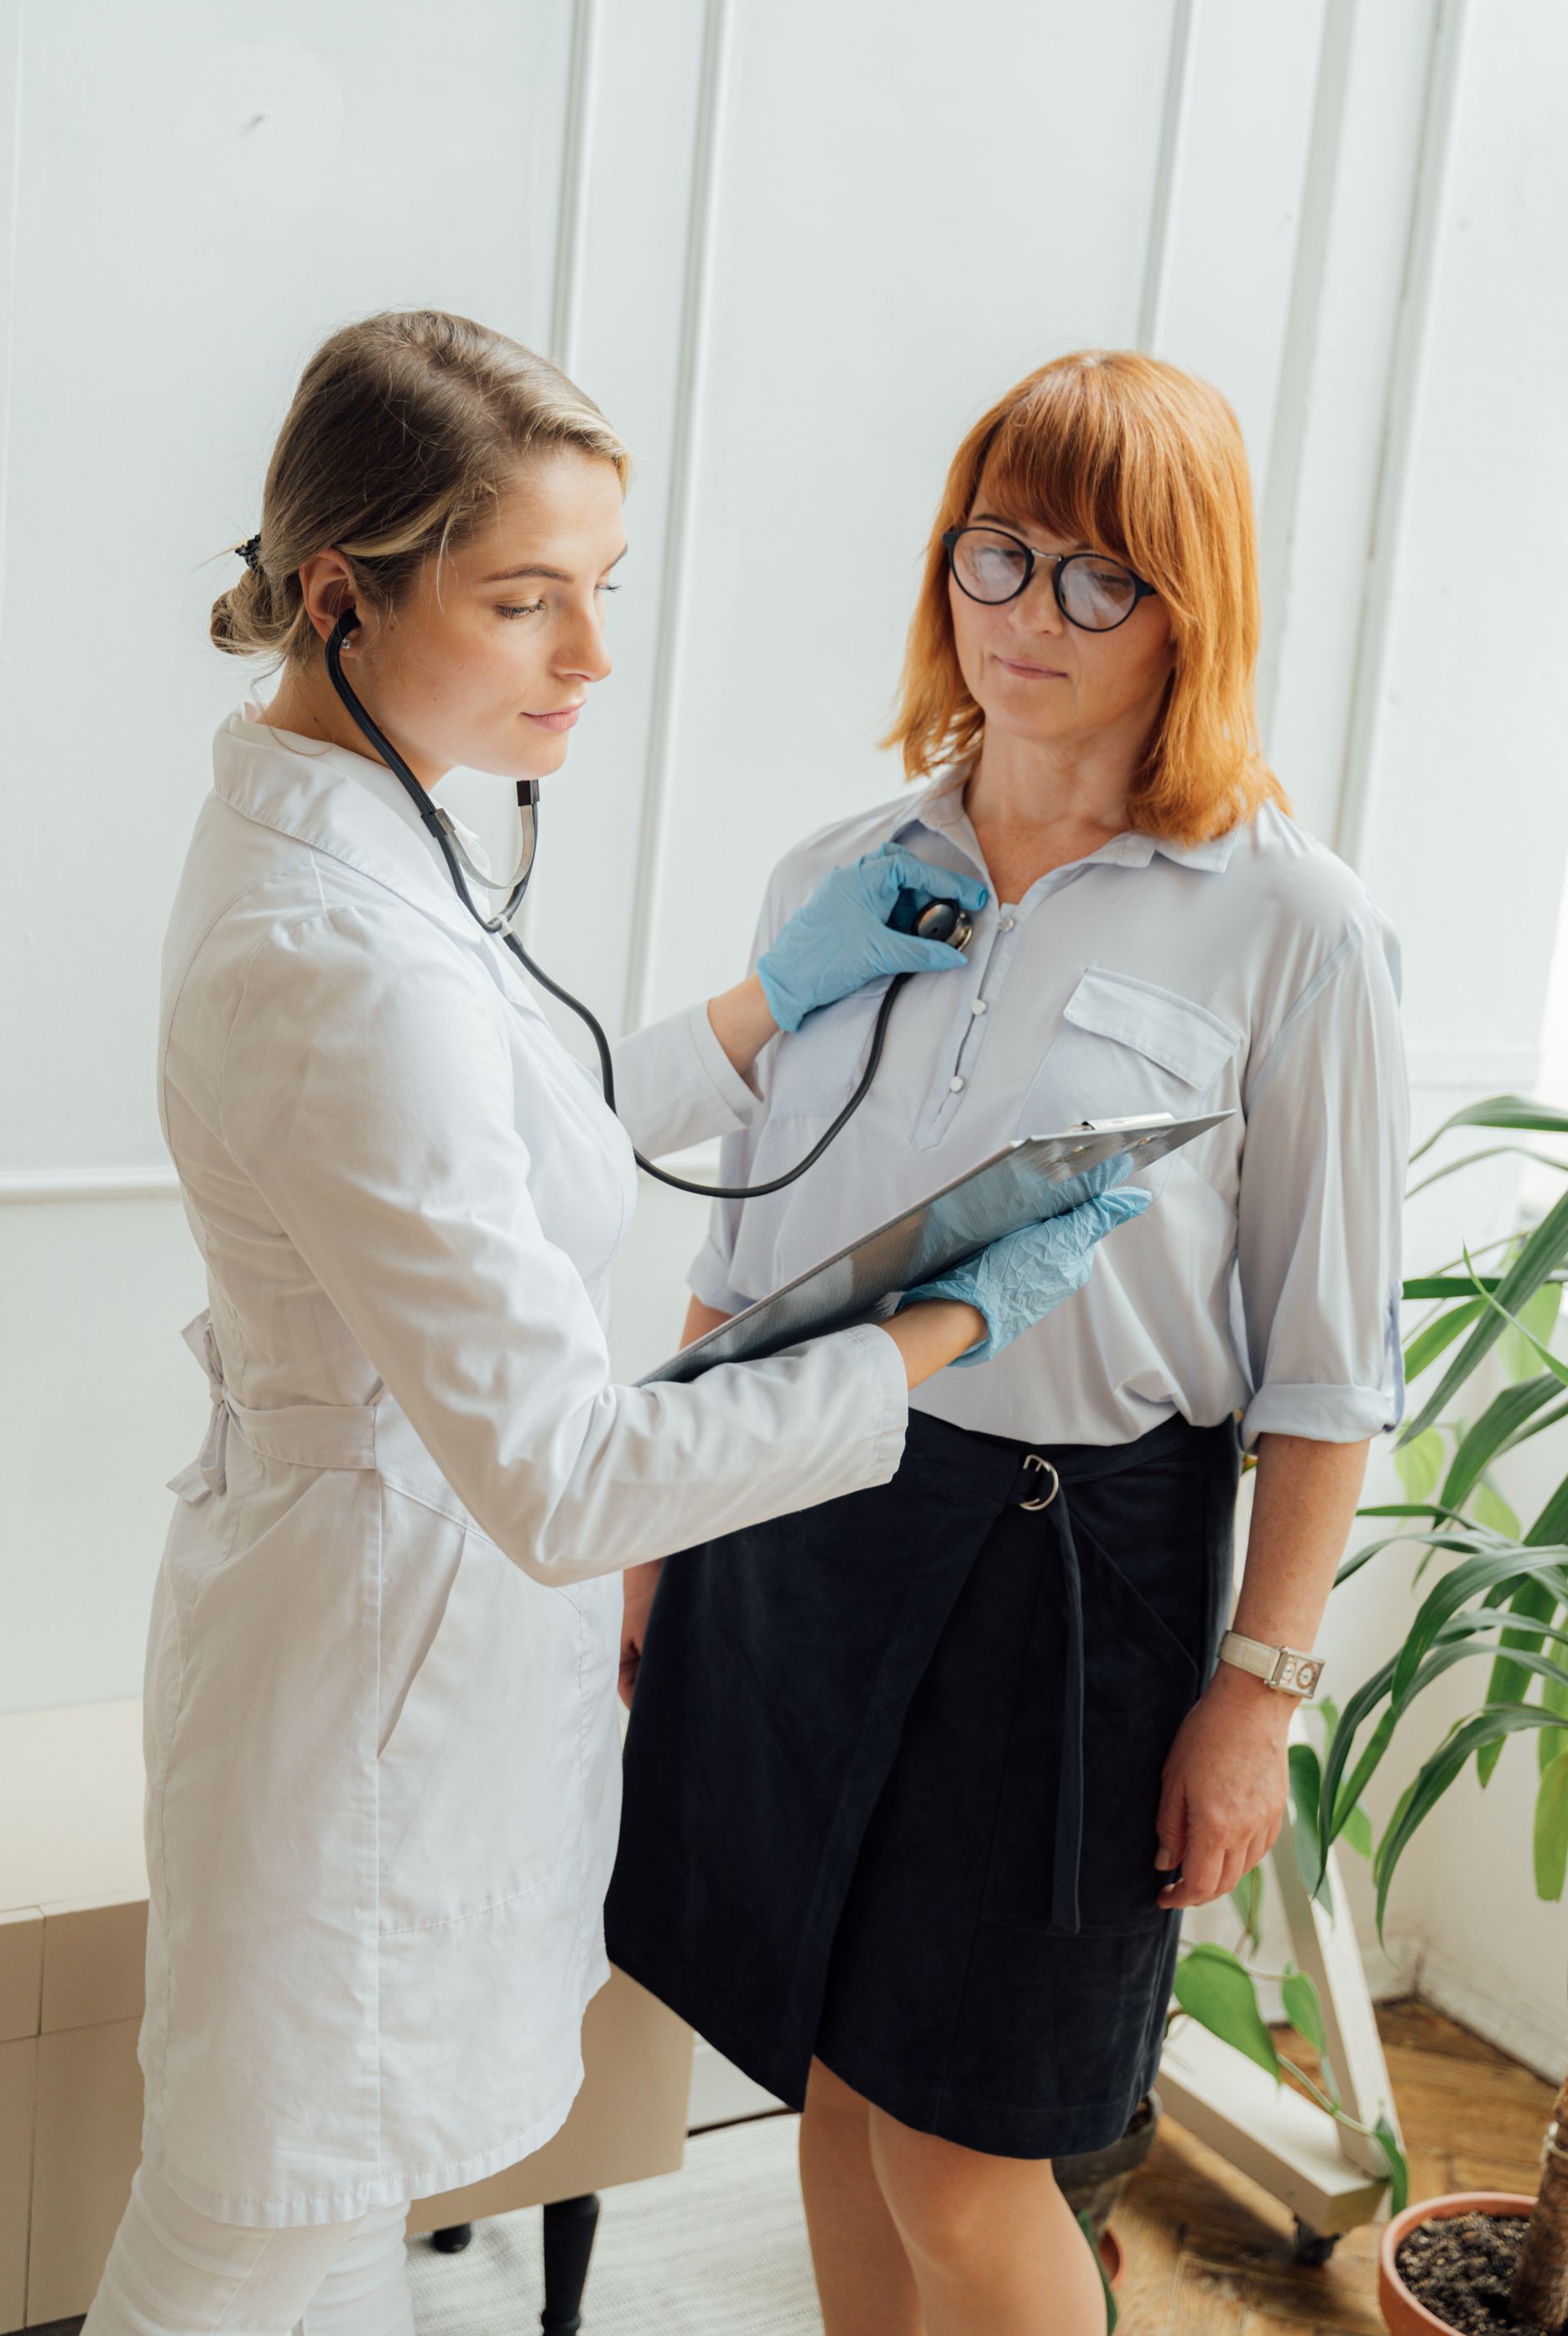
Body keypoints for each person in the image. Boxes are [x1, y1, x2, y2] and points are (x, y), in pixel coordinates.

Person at [80, 311, 1149, 2336]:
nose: (590, 659)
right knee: (244, 2236)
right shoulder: (335, 951)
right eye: (526, 600)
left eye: (605, 594)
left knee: (302, 2210)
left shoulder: (374, 830)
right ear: (342, 590)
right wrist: (940, 1325)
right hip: (369, 1669)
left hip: (386, 1627)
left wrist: (770, 1011)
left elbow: (501, 1142)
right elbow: (570, 1476)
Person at [606, 349, 1409, 2336]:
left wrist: (1258, 1695)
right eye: (997, 555)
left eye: (1096, 579)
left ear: (1187, 609)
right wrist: (659, 1524)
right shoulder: (843, 876)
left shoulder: (1294, 927)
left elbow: (1327, 1375)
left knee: (973, 2156)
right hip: (792, 1511)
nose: (1027, 618)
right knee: (830, 2080)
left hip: (1068, 1583)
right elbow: (756, 1255)